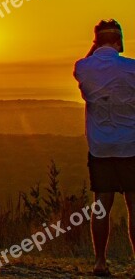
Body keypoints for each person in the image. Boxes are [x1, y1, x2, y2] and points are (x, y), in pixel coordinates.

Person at [74, 19, 135, 277]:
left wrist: (93, 46)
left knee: (101, 205)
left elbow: (81, 69)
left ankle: (100, 261)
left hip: (100, 146)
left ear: (97, 41)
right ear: (119, 41)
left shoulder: (83, 67)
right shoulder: (131, 68)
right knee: (134, 205)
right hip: (131, 145)